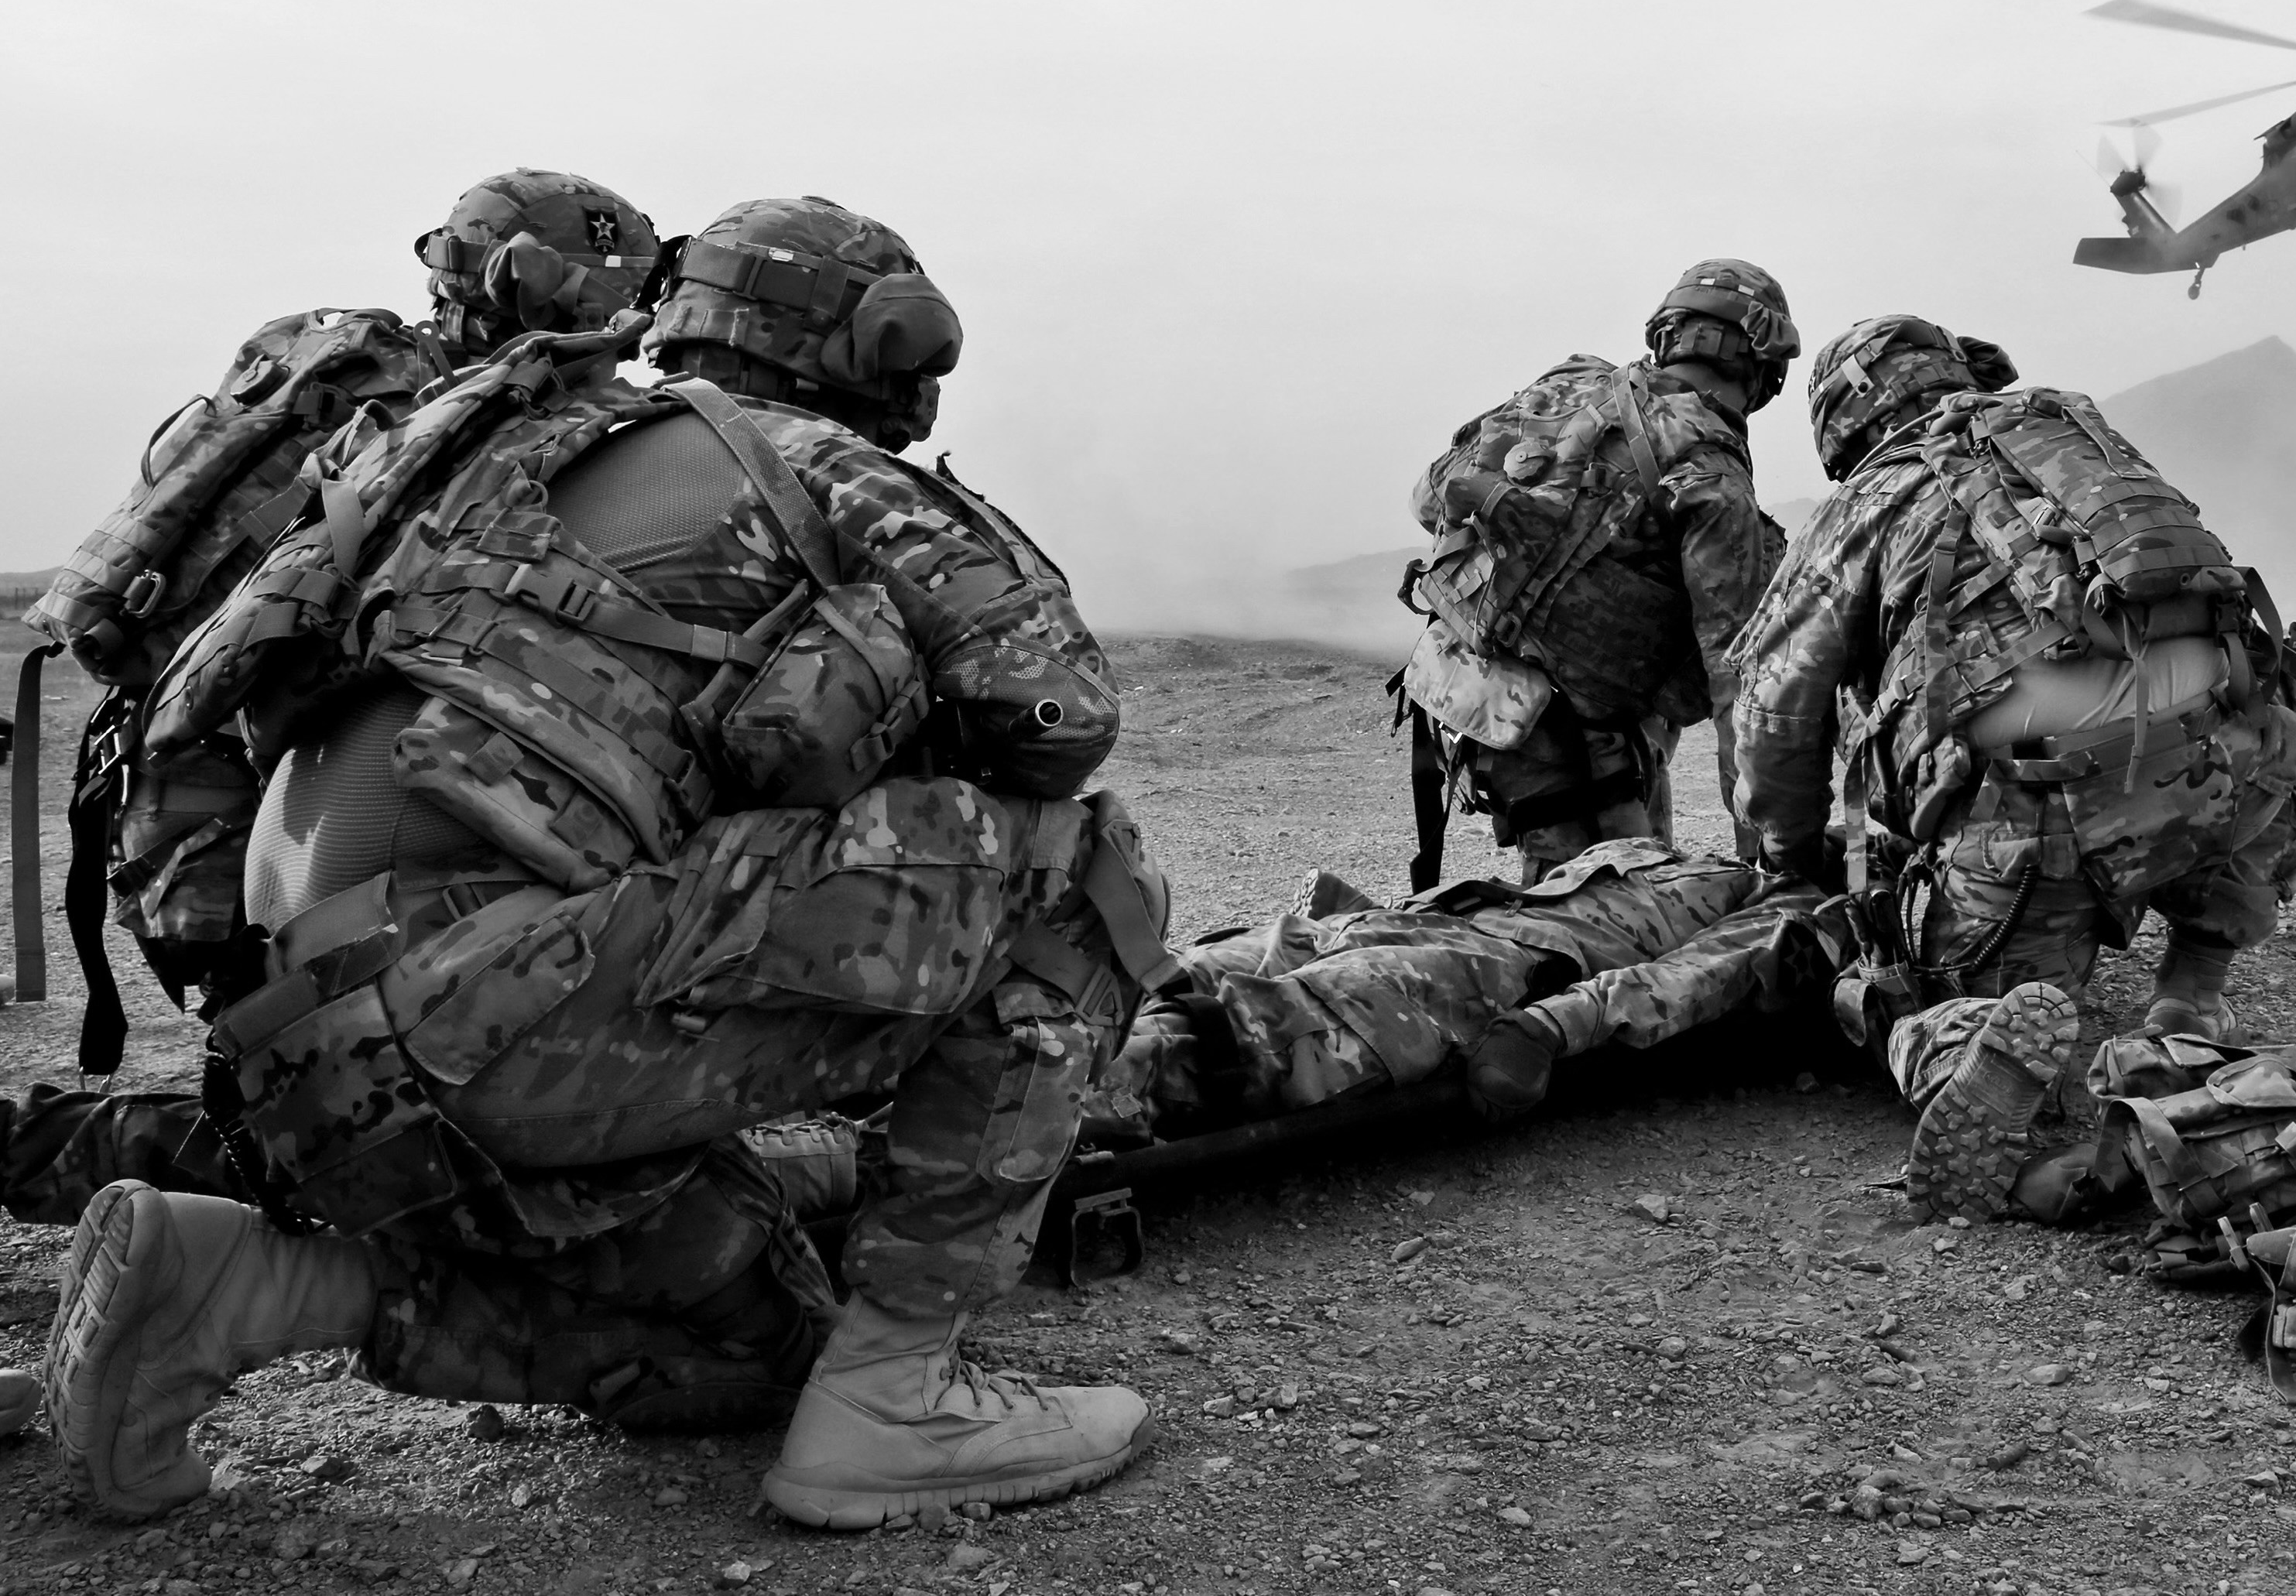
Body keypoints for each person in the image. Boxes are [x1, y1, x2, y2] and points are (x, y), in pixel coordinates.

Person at [33, 197, 1180, 1529]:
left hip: (310, 1060)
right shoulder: (822, 466)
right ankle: (901, 1399)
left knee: (754, 1348)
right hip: (495, 1019)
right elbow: (1060, 720)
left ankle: (237, 1284)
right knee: (1085, 870)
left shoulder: (469, 449)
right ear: (859, 339)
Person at [8, 170, 662, 1215]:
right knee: (315, 1129)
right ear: (547, 296)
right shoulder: (438, 425)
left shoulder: (343, 369)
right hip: (230, 801)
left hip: (175, 765)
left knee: (321, 1100)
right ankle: (38, 1155)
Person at [1728, 315, 2296, 1221]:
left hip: (2045, 826)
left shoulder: (1870, 499)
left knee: (1925, 993)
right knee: (2237, 738)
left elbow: (1776, 708)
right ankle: (2190, 1000)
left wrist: (1784, 857)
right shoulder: (2076, 435)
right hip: (2237, 781)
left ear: (1841, 423)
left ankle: (1984, 1054)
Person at [1398, 262, 1796, 885]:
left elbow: (1429, 500)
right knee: (1603, 929)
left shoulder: (1570, 384)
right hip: (1585, 747)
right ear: (1762, 366)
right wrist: (1771, 853)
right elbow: (1737, 679)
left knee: (1558, 910)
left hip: (1472, 686)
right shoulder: (1708, 470)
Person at [1091, 838, 1828, 1139]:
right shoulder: (1661, 851)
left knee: (1243, 1042)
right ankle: (1005, 1045)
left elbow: (1685, 981)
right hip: (1419, 925)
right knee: (1161, 978)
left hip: (1474, 981)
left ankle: (1031, 1114)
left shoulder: (1795, 908)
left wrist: (1551, 1028)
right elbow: (1535, 893)